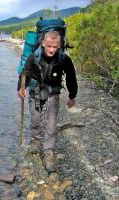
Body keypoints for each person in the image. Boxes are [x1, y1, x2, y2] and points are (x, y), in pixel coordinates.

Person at [17, 31, 78, 172]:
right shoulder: (33, 57)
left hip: (53, 93)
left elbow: (71, 77)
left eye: (55, 47)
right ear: (43, 43)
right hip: (35, 92)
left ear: (59, 46)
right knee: (35, 119)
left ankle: (49, 152)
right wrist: (21, 88)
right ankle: (35, 140)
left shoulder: (64, 59)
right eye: (49, 46)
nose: (51, 50)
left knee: (51, 123)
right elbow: (24, 72)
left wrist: (72, 96)